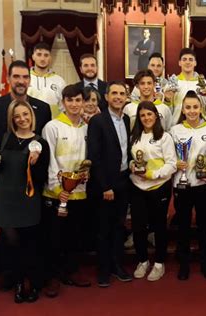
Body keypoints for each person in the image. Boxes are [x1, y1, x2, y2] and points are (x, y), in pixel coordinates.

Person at [0, 100, 49, 303]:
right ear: (12, 119)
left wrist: (36, 162)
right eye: (17, 116)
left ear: (31, 116)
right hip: (5, 196)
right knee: (12, 244)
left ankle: (33, 284)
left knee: (30, 244)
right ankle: (18, 283)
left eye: (25, 114)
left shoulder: (40, 142)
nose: (22, 119)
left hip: (28, 198)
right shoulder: (5, 138)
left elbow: (42, 176)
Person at [41, 84, 91, 297]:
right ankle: (52, 276)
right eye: (69, 100)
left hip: (79, 191)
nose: (73, 104)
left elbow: (87, 157)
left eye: (78, 100)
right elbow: (49, 159)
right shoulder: (52, 127)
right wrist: (56, 187)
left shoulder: (87, 127)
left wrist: (88, 172)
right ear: (63, 103)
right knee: (54, 237)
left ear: (83, 102)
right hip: (56, 193)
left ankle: (71, 270)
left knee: (75, 234)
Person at [87, 81, 133, 287]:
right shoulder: (97, 121)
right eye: (114, 93)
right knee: (103, 228)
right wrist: (105, 186)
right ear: (106, 97)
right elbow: (94, 156)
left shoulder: (128, 120)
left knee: (118, 226)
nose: (118, 97)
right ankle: (103, 270)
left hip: (124, 181)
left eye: (121, 93)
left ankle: (117, 265)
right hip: (105, 185)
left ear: (126, 97)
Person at [170, 91, 206, 281]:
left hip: (204, 184)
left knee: (205, 225)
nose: (192, 111)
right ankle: (184, 263)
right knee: (183, 225)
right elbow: (169, 156)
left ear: (201, 108)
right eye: (188, 107)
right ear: (183, 108)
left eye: (195, 107)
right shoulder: (175, 130)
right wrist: (175, 163)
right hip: (182, 185)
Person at [129, 101, 176, 282]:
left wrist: (153, 174)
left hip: (159, 187)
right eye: (142, 115)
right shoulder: (135, 136)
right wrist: (133, 166)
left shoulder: (164, 137)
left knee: (159, 227)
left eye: (149, 114)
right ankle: (142, 260)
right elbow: (130, 158)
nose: (146, 118)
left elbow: (171, 164)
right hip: (137, 187)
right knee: (138, 227)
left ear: (156, 116)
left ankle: (159, 263)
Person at [0, 60, 51, 148]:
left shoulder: (43, 109)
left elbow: (45, 143)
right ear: (8, 79)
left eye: (25, 77)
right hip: (3, 160)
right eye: (16, 77)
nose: (21, 81)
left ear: (29, 80)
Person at [165, 48, 206, 124]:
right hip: (177, 125)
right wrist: (167, 100)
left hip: (199, 126)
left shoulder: (203, 83)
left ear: (195, 63)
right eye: (184, 59)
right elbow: (165, 109)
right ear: (179, 63)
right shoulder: (172, 82)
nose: (187, 62)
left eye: (190, 59)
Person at [27, 42, 67, 118]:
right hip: (29, 124)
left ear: (50, 58)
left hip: (52, 125)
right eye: (39, 54)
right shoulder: (26, 78)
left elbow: (64, 108)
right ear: (33, 57)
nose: (42, 59)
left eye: (46, 55)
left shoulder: (59, 81)